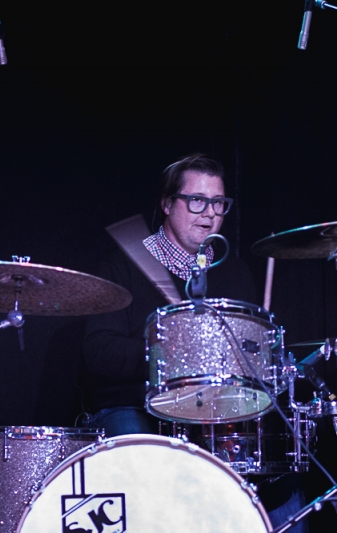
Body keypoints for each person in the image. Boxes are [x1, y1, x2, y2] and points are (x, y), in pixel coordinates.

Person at [81, 154, 306, 531]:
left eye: (218, 203)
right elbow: (97, 352)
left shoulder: (233, 272)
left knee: (281, 470)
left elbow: (250, 353)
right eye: (197, 201)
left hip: (216, 412)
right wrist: (163, 354)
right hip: (135, 405)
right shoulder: (122, 267)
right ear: (167, 204)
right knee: (144, 455)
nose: (210, 213)